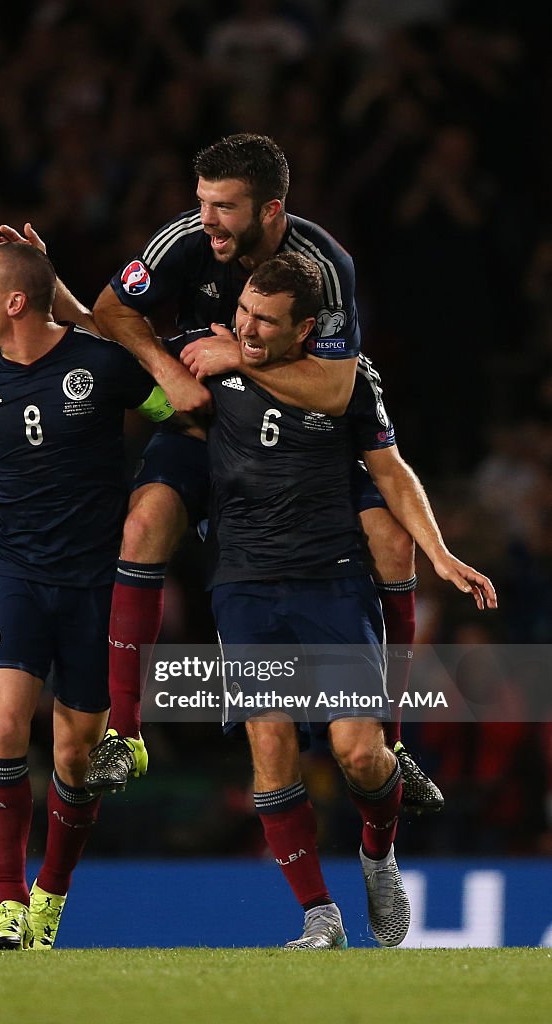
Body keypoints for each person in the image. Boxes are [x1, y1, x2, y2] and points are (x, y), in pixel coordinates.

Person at [0, 134, 436, 807]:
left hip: (306, 441)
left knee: (392, 542)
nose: (207, 220)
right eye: (202, 202)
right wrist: (168, 366)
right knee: (142, 526)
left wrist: (238, 359)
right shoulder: (183, 241)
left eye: (224, 206)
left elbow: (335, 391)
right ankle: (128, 735)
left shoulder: (324, 265)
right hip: (208, 423)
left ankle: (392, 738)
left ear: (270, 210)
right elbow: (112, 313)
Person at [198, 252, 495, 948]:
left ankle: (377, 851)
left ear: (305, 330)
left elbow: (389, 470)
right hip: (243, 585)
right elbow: (124, 351)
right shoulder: (204, 360)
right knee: (270, 749)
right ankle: (318, 916)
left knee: (359, 755)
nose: (246, 327)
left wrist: (439, 550)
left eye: (265, 320)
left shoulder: (348, 384)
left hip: (331, 581)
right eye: (243, 311)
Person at [0, 242, 175, 950]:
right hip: (16, 572)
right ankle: (8, 905)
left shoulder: (99, 364)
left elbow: (178, 411)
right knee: (4, 727)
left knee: (75, 758)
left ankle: (51, 895)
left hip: (97, 584)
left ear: (16, 302)